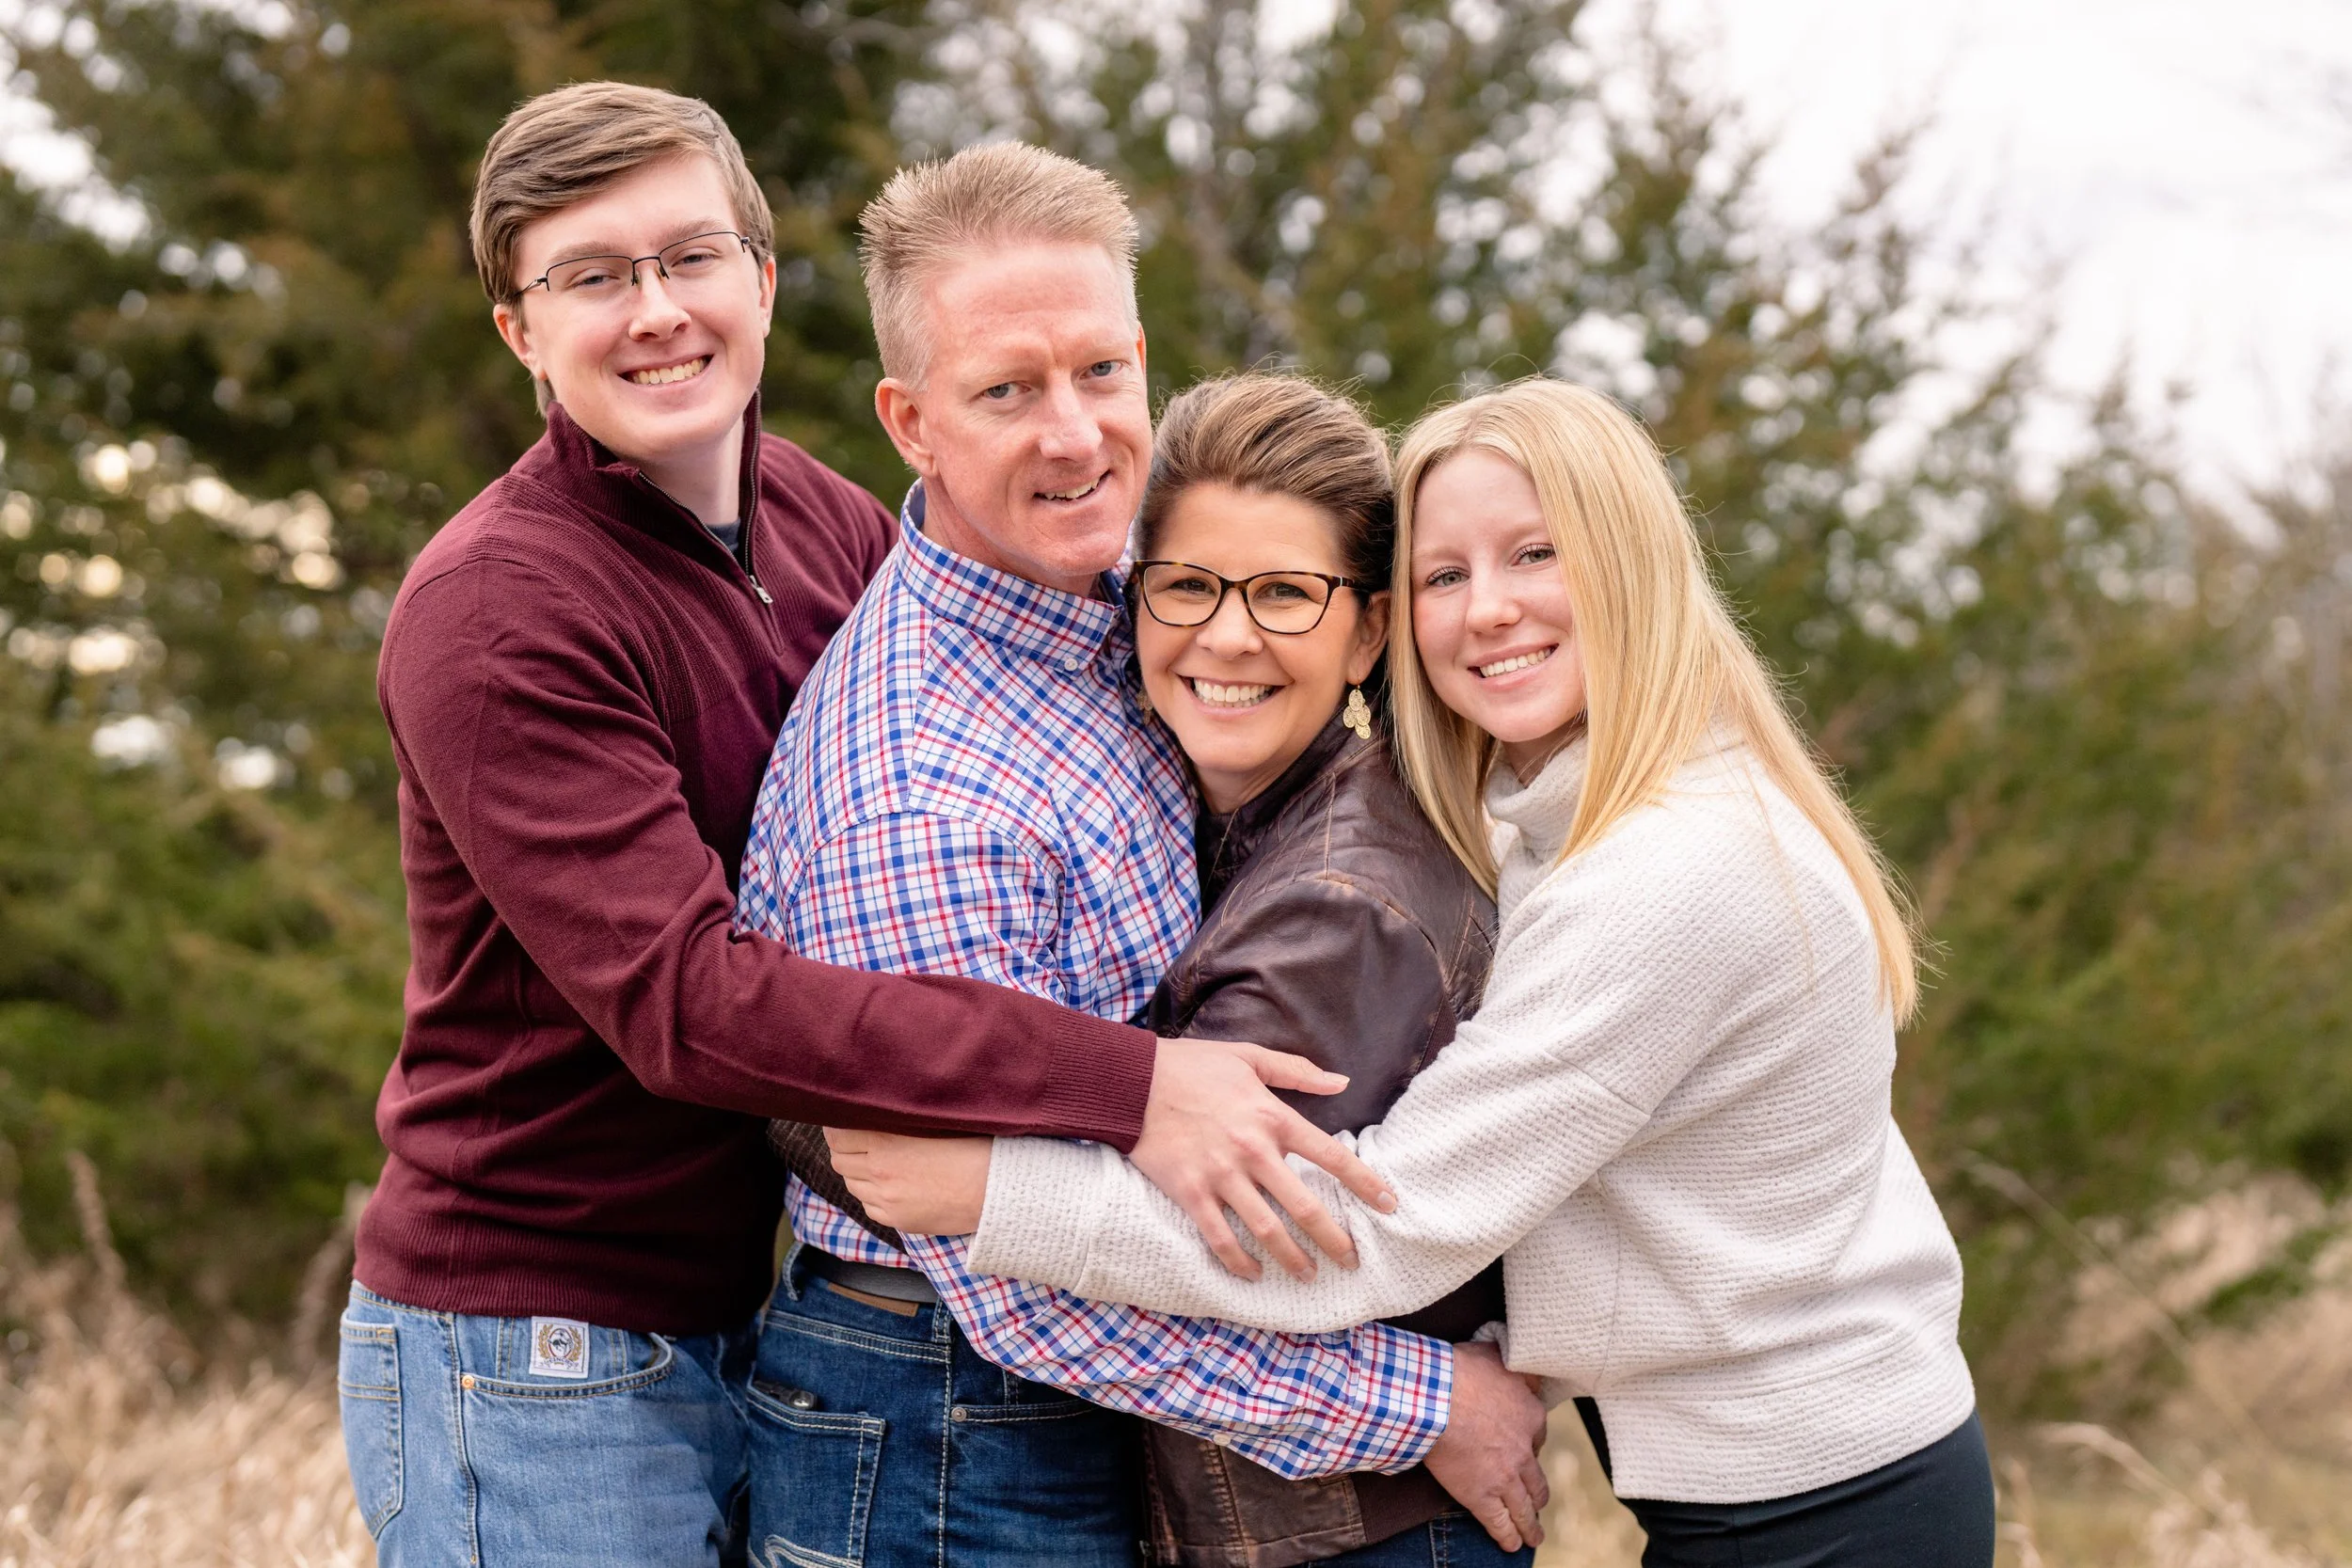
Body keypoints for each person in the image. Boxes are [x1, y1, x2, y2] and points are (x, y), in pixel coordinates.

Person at [343, 85, 1386, 1568]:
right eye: (592, 276)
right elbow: (690, 1003)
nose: (657, 312)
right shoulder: (498, 609)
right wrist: (1132, 1080)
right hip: (535, 1331)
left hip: (754, 1294)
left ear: (761, 282)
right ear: (520, 328)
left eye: (690, 256)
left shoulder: (815, 518)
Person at [841, 378, 2000, 1566]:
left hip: (1825, 1503)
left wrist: (990, 1194)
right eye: (1448, 573)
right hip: (1780, 1478)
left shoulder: (1666, 873)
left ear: (1632, 567)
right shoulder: (1553, 811)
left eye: (1535, 554)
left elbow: (1378, 1224)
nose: (1487, 610)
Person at [733, 154, 1546, 1568]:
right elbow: (1017, 1277)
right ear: (910, 421)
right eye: (1007, 389)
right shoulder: (927, 789)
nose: (1075, 433)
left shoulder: (1129, 583)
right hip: (946, 1415)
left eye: (1103, 370)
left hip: (1085, 1398)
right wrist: (1419, 1406)